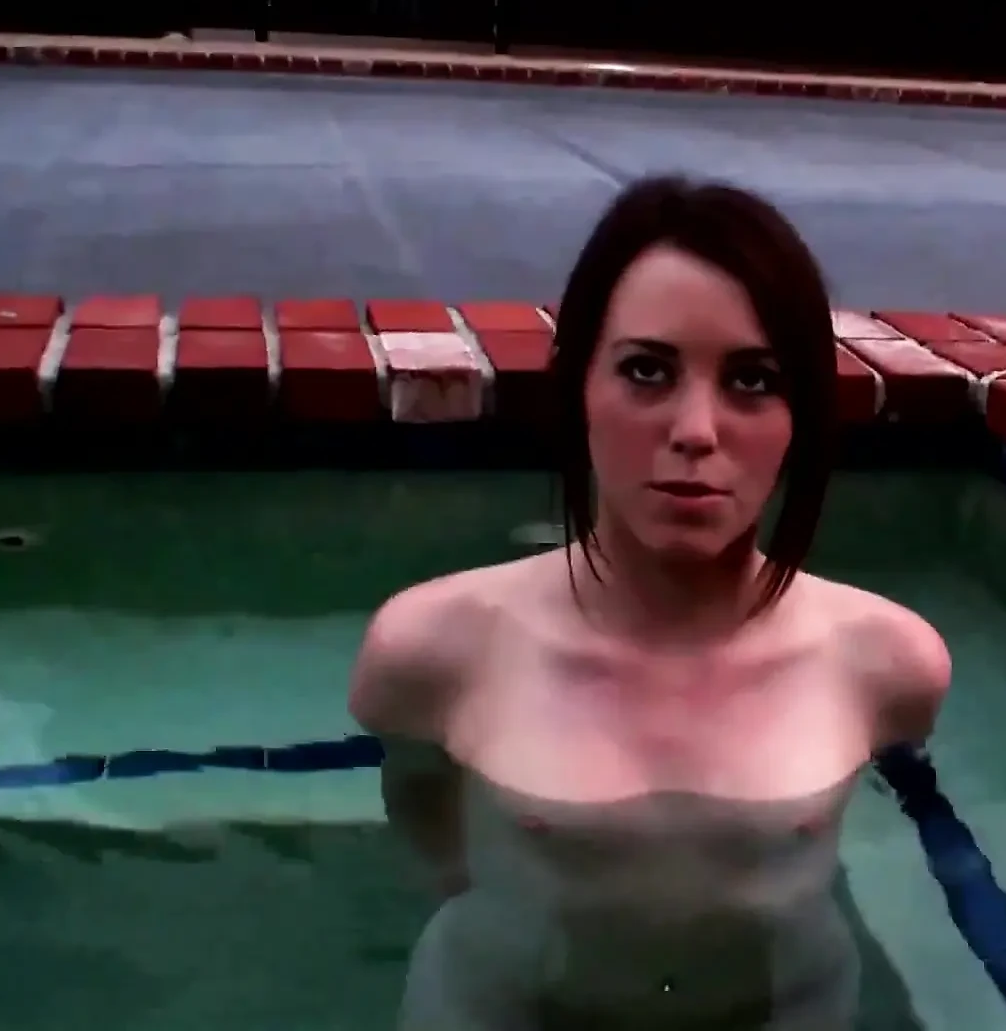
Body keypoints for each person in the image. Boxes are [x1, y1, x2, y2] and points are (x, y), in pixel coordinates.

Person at [347, 175, 953, 1031]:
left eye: (752, 380)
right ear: (578, 387)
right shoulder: (430, 648)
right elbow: (420, 812)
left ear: (800, 417)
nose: (696, 430)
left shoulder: (890, 664)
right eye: (646, 370)